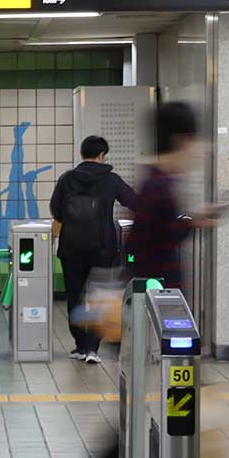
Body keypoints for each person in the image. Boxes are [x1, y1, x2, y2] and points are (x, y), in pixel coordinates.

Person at [49, 102, 229, 458]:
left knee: (180, 416)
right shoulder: (158, 186)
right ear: (181, 141)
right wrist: (197, 222)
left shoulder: (158, 184)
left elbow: (152, 239)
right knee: (158, 421)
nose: (199, 151)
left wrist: (196, 220)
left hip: (157, 322)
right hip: (158, 325)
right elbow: (146, 251)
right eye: (197, 142)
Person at [50, 135, 136, 364]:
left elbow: (55, 210)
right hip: (103, 249)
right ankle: (92, 349)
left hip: (71, 249)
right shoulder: (111, 180)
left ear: (82, 154)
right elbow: (133, 201)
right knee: (99, 298)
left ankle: (79, 345)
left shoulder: (67, 179)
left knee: (75, 298)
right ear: (101, 156)